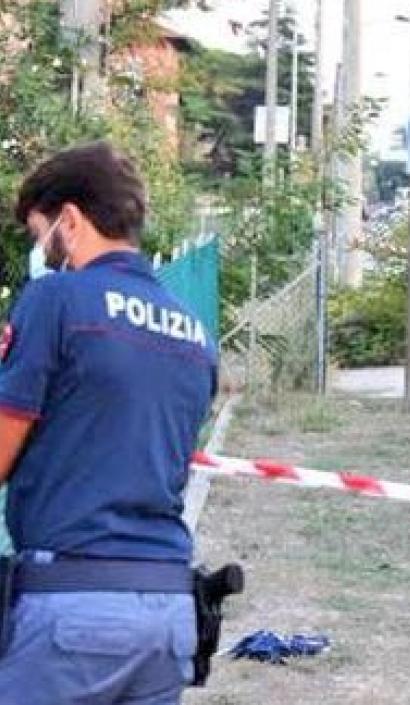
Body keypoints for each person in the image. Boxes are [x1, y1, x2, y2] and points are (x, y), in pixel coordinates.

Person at [0, 142, 218, 703]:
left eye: (38, 234)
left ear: (68, 221)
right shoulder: (192, 331)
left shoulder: (57, 299)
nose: (42, 254)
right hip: (167, 611)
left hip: (72, 609)